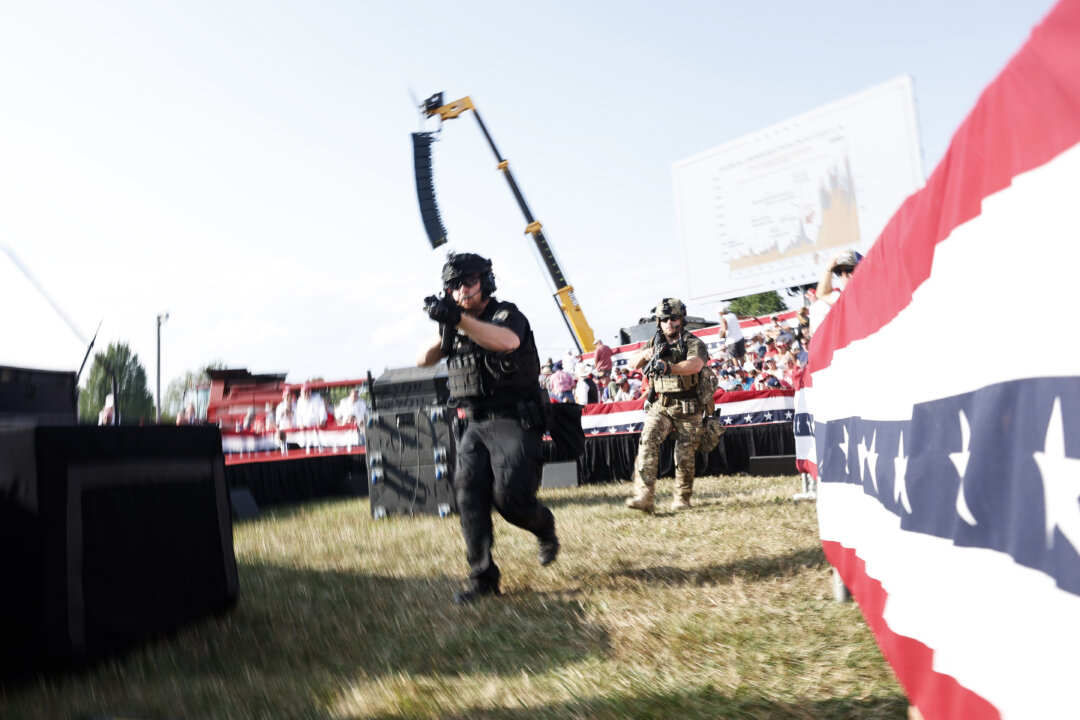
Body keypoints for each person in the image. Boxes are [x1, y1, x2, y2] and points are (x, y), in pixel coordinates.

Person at [418, 252, 559, 605]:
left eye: (468, 282)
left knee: (510, 499)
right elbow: (423, 359)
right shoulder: (457, 322)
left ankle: (544, 527)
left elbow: (507, 342)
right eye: (453, 286)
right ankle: (482, 578)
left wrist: (460, 321)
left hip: (514, 420)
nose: (461, 290)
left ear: (486, 281)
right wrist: (447, 323)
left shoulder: (506, 314)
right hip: (476, 423)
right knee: (467, 494)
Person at [626, 298, 709, 513]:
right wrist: (646, 355)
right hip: (661, 405)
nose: (669, 323)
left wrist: (668, 367)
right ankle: (644, 496)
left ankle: (682, 498)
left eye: (674, 318)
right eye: (664, 319)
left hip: (688, 406)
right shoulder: (654, 342)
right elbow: (631, 363)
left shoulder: (693, 342)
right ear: (659, 322)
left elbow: (695, 365)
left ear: (682, 320)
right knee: (647, 440)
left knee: (685, 455)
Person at [810, 249, 863, 334]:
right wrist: (831, 265)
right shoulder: (843, 298)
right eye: (839, 272)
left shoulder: (877, 288)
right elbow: (821, 294)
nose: (844, 274)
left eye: (849, 269)